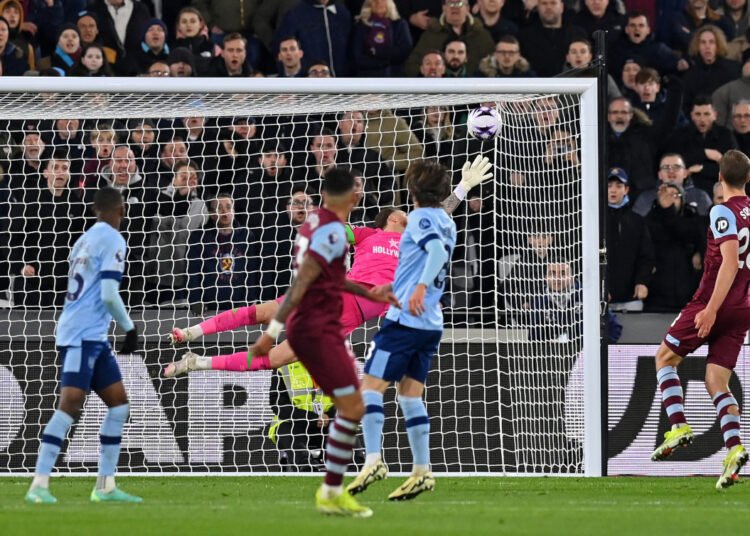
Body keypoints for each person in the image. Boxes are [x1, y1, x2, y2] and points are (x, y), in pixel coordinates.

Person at [163, 156, 491, 376]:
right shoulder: (368, 234)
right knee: (262, 312)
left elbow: (440, 213)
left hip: (347, 317)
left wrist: (463, 187)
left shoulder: (414, 237)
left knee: (276, 359)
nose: (410, 215)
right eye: (403, 213)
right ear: (393, 217)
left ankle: (198, 362)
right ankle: (194, 331)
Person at [254, 168, 398, 517]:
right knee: (350, 404)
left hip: (326, 320)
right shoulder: (334, 232)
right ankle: (331, 493)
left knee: (345, 403)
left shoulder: (320, 227)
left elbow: (329, 278)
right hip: (321, 322)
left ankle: (331, 492)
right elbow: (304, 282)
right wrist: (273, 329)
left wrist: (367, 290)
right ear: (354, 197)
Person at [346, 158, 466, 502]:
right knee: (409, 396)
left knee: (369, 387)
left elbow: (435, 251)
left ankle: (373, 460)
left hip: (405, 320)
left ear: (412, 189)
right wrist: (462, 189)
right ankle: (422, 471)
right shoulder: (445, 219)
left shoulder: (422, 220)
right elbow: (437, 240)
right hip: (430, 324)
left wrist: (419, 287)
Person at [24, 187, 141, 504]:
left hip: (93, 335)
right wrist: (129, 329)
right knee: (70, 405)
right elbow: (107, 294)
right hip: (81, 335)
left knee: (119, 405)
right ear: (120, 209)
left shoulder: (84, 239)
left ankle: (104, 486)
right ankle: (38, 485)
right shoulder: (114, 239)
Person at [650, 150, 750, 490]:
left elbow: (730, 261)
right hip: (743, 307)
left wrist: (710, 309)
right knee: (716, 382)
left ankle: (678, 425)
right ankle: (734, 449)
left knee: (664, 358)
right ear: (748, 178)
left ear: (719, 178)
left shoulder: (721, 210)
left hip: (712, 300)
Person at [606, 167, 654, 312]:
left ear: (626, 190)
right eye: (609, 186)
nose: (613, 190)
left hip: (631, 299)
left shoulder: (637, 221)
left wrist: (642, 282)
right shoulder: (595, 220)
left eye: (618, 186)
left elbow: (646, 256)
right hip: (601, 299)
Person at [404, 0, 494, 77]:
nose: (454, 7)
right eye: (450, 3)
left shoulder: (482, 35)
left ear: (467, 8)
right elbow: (411, 66)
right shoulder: (430, 35)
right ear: (443, 8)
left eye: (459, 3)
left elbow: (493, 66)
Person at [351, 0, 412, 77]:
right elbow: (358, 58)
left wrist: (376, 52)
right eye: (374, 0)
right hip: (367, 78)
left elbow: (403, 51)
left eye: (382, 0)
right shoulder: (360, 26)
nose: (378, 2)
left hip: (394, 77)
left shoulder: (400, 24)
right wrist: (383, 62)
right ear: (369, 4)